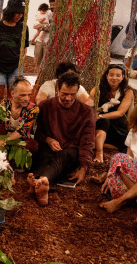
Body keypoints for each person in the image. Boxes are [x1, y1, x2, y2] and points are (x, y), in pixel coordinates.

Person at [29, 72, 95, 206]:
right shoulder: (45, 106)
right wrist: (48, 139)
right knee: (45, 155)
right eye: (64, 94)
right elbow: (34, 131)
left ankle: (40, 180)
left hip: (71, 152)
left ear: (77, 92)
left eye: (72, 94)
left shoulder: (86, 112)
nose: (68, 98)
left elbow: (87, 141)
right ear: (57, 90)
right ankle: (43, 185)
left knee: (64, 156)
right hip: (49, 148)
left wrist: (83, 168)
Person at [98, 97, 137, 213]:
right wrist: (112, 172)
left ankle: (122, 200)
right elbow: (127, 160)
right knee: (118, 158)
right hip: (134, 179)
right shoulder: (135, 131)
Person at [89, 64, 134, 163]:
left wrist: (100, 116)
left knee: (127, 142)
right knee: (104, 122)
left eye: (118, 75)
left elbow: (120, 112)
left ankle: (100, 144)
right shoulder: (97, 89)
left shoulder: (127, 92)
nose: (114, 78)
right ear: (106, 76)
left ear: (122, 77)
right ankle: (99, 151)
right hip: (100, 123)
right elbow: (89, 106)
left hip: (117, 124)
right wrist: (96, 116)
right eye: (111, 75)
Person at [0, 76, 39, 153]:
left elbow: (22, 131)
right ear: (13, 94)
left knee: (30, 145)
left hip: (21, 140)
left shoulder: (33, 109)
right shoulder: (3, 105)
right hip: (4, 136)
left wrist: (4, 140)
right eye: (23, 95)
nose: (27, 99)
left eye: (29, 95)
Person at [31, 3, 50, 73]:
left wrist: (43, 25)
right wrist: (41, 24)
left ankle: (43, 73)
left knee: (46, 59)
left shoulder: (48, 14)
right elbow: (35, 25)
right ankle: (38, 73)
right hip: (39, 40)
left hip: (47, 40)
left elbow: (48, 26)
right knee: (37, 58)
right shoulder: (39, 14)